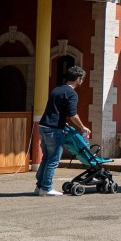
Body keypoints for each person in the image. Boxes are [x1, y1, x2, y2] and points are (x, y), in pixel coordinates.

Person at [35, 65, 90, 196]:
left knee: (46, 158)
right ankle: (46, 188)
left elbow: (55, 109)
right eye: (82, 78)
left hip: (43, 126)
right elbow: (72, 114)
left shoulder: (57, 89)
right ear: (78, 78)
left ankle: (39, 187)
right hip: (54, 129)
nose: (82, 81)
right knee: (53, 160)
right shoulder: (72, 93)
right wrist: (82, 127)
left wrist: (61, 120)